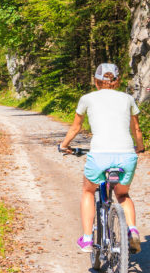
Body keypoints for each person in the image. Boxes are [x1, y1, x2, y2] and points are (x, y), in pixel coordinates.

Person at [59, 63, 145, 254]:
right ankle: (132, 229)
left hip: (100, 155)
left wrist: (64, 146)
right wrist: (139, 148)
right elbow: (136, 129)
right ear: (117, 81)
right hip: (126, 155)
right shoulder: (128, 99)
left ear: (96, 80)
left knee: (89, 191)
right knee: (122, 195)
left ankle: (88, 239)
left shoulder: (87, 99)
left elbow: (75, 128)